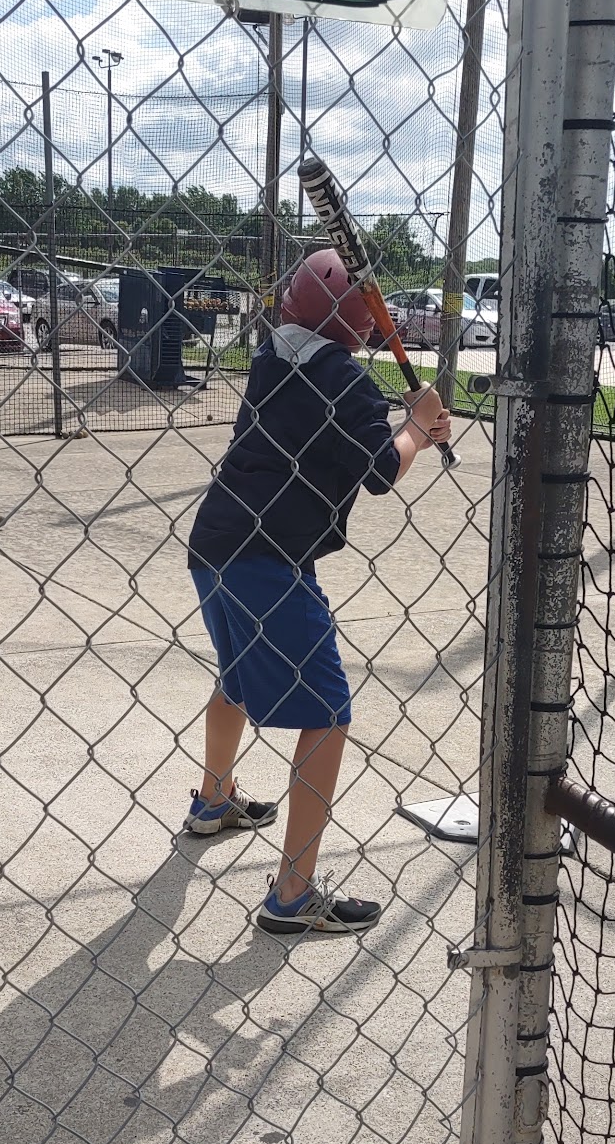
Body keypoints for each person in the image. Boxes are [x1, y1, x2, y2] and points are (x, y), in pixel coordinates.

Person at [184, 248, 452, 939]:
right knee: (328, 714)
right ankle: (293, 893)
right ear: (358, 325)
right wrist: (416, 428)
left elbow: (336, 424)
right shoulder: (342, 379)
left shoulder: (273, 357)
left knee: (237, 677)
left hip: (214, 544)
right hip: (271, 561)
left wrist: (401, 418)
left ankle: (214, 801)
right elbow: (380, 471)